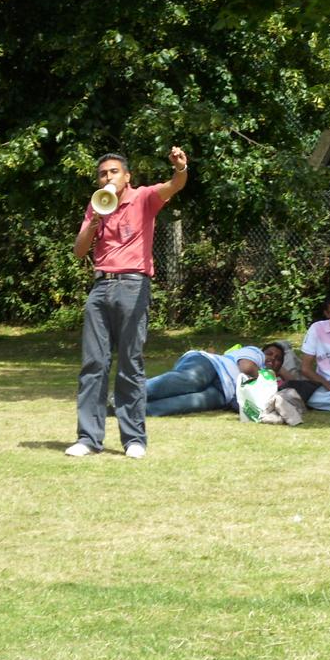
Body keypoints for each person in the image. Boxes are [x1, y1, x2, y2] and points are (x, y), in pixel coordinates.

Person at [66, 147, 189, 458]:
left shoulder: (143, 198)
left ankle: (134, 439)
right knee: (93, 364)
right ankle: (88, 438)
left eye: (113, 172)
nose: (107, 177)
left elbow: (173, 186)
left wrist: (180, 169)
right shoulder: (96, 206)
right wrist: (94, 221)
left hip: (133, 285)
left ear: (127, 177)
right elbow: (80, 251)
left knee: (130, 363)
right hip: (100, 286)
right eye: (103, 174)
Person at [145, 345, 265, 416]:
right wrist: (265, 377)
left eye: (278, 359)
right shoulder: (256, 353)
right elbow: (245, 367)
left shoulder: (271, 385)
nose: (273, 358)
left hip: (224, 393)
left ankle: (132, 408)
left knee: (180, 404)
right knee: (191, 380)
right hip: (212, 366)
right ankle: (130, 391)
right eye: (271, 353)